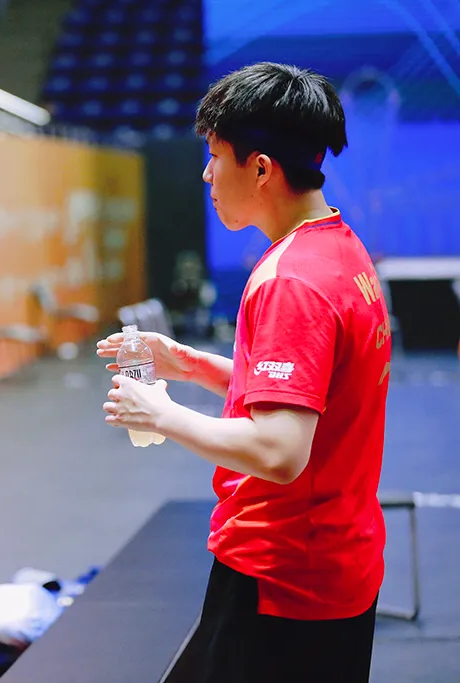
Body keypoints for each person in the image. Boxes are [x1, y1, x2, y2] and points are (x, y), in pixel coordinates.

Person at [98, 62, 389, 683]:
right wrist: (194, 364)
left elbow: (281, 450)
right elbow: (311, 392)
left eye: (214, 155)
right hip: (333, 559)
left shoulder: (292, 280)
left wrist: (162, 414)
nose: (205, 172)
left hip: (284, 578)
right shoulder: (340, 249)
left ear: (260, 168)